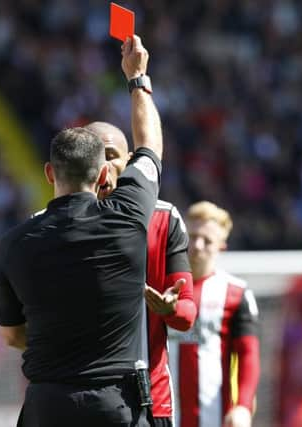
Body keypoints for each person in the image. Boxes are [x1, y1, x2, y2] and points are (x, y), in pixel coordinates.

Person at [0, 35, 163, 427]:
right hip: (115, 405)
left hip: (46, 404)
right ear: (105, 173)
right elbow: (150, 146)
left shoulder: (13, 245)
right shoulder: (129, 215)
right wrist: (137, 78)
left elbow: (12, 336)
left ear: (50, 172)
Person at [85, 121, 196, 427]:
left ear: (131, 160)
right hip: (79, 399)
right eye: (93, 156)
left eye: (110, 154)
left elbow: (186, 314)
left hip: (149, 401)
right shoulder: (56, 224)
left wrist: (170, 309)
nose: (103, 165)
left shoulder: (163, 219)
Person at [168, 201, 260, 427]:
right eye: (192, 235)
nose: (197, 245)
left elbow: (248, 354)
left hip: (213, 418)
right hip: (161, 415)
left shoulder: (236, 293)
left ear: (222, 246)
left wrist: (243, 407)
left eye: (207, 240)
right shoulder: (159, 287)